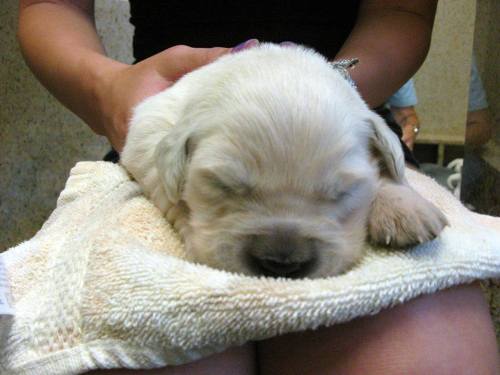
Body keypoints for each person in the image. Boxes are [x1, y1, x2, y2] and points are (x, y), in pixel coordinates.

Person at [17, 1, 499, 374]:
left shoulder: (366, 146)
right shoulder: (163, 139)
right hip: (169, 102)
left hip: (349, 99)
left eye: (334, 193)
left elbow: (403, 9)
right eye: (230, 186)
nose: (284, 255)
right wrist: (110, 89)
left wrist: (338, 94)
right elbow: (51, 5)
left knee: (426, 355)